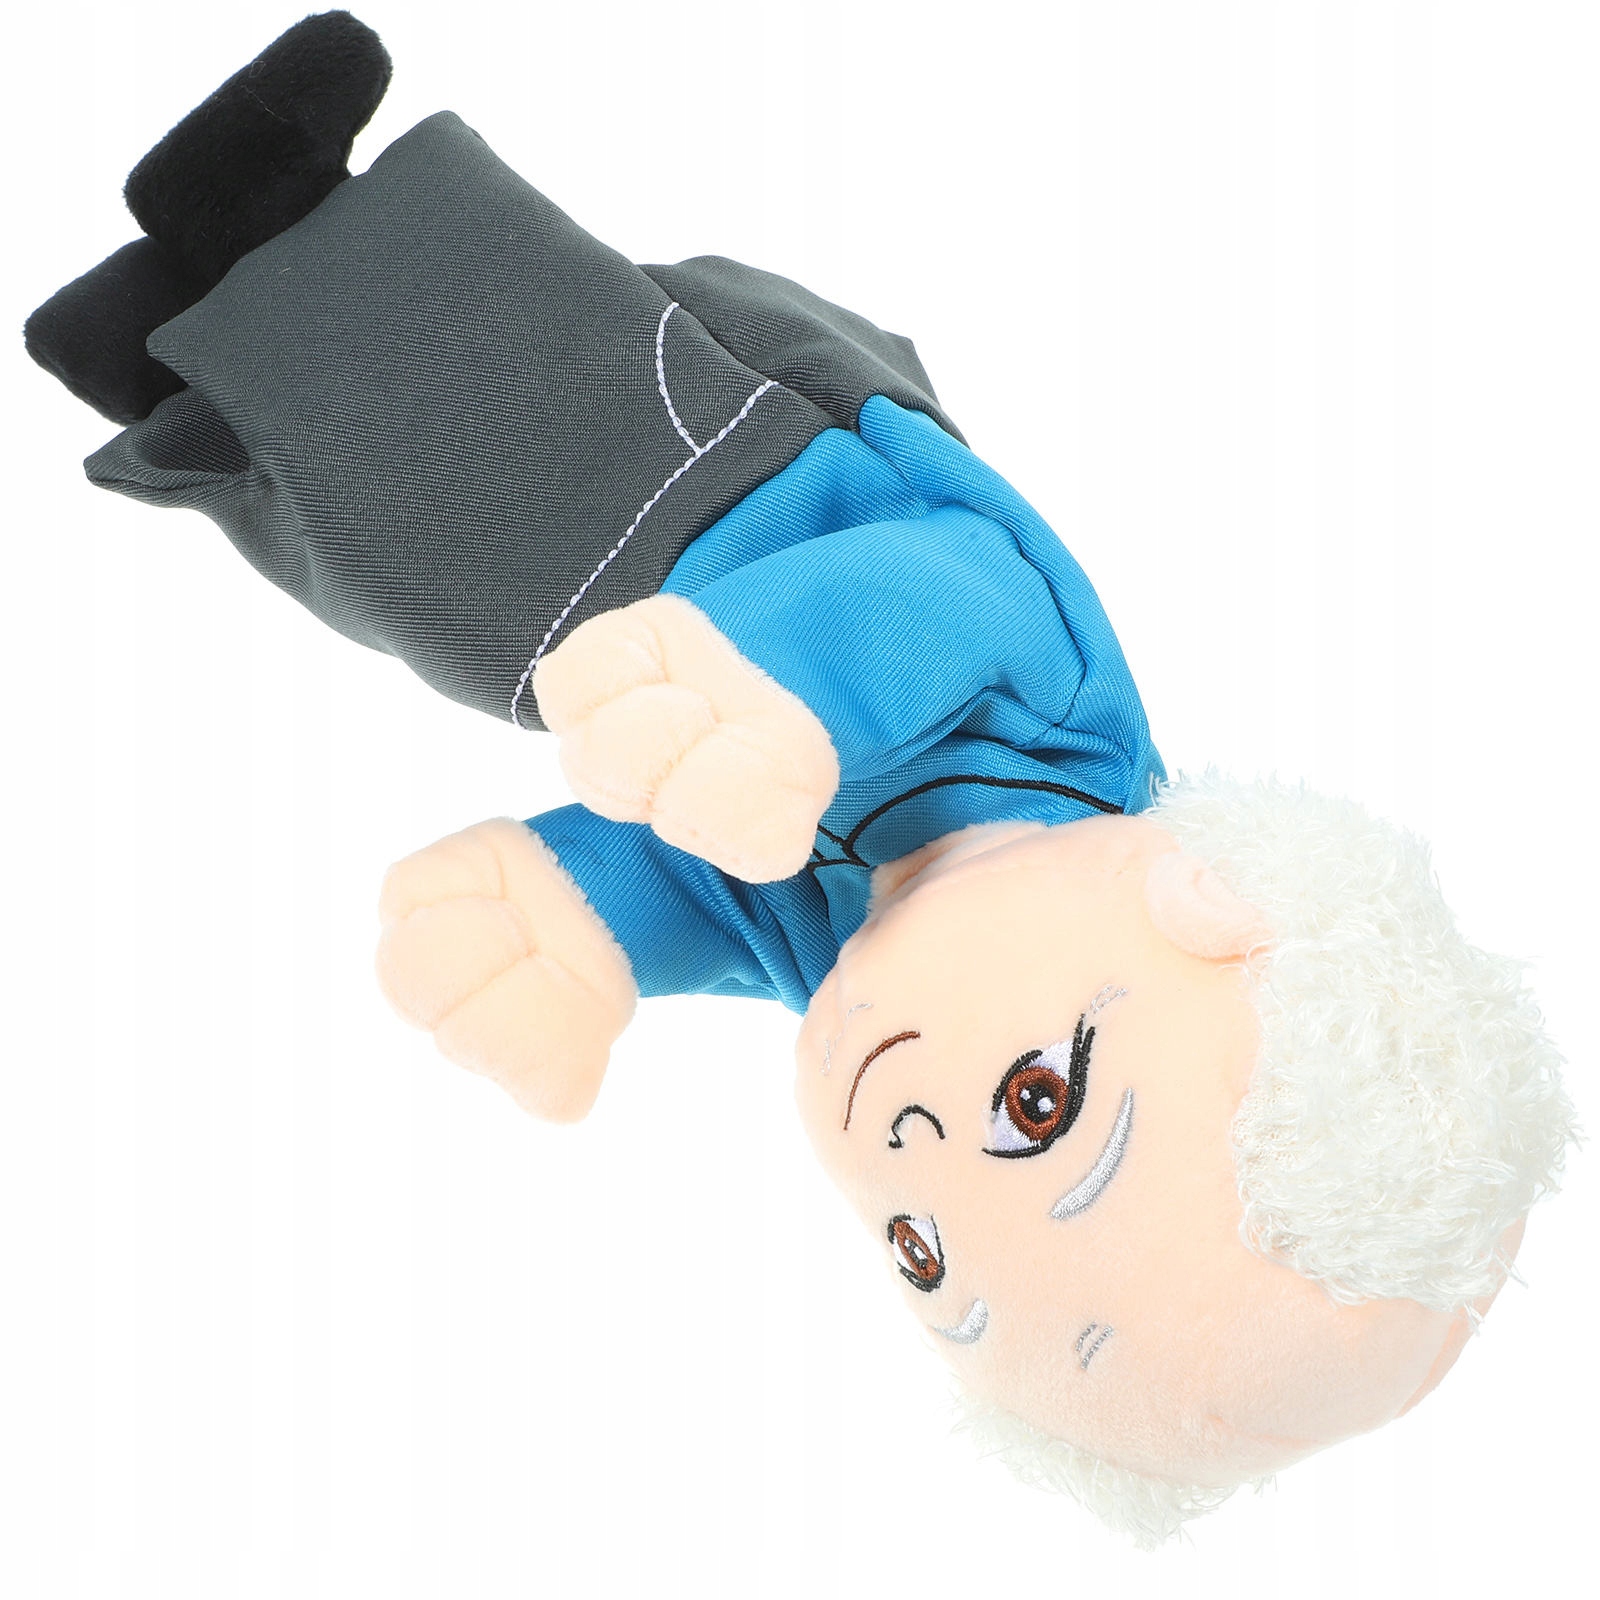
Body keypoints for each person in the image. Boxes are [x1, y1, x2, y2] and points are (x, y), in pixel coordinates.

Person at [28, 12, 1574, 1544]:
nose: (907, 1148)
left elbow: (712, 886)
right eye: (1036, 1104)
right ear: (1226, 916)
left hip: (576, 638)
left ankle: (175, 369)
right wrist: (766, 684)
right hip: (723, 472)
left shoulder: (866, 954)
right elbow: (930, 595)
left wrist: (570, 923)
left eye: (924, 1252)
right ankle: (277, 184)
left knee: (396, 559)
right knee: (492, 363)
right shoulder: (1060, 726)